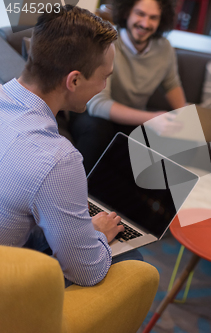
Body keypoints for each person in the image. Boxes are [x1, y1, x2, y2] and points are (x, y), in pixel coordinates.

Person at [0, 5, 133, 286]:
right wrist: (95, 232)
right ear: (74, 80)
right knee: (131, 264)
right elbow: (87, 271)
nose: (103, 86)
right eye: (105, 77)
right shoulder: (57, 158)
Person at [69, 0, 186, 173]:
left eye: (153, 18)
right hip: (92, 117)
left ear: (162, 20)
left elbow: (171, 85)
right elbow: (99, 105)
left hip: (132, 121)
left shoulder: (165, 49)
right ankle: (78, 194)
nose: (145, 24)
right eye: (140, 14)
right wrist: (151, 119)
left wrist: (187, 120)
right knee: (98, 130)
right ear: (126, 13)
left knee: (166, 143)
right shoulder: (106, 42)